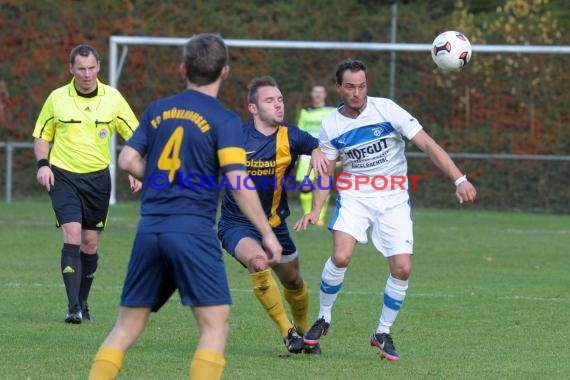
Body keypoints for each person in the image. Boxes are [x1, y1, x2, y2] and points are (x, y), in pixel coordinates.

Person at [88, 34, 282, 380]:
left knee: (125, 328)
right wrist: (267, 232)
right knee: (214, 326)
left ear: (182, 69)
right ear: (225, 71)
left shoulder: (158, 110)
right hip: (192, 230)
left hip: (150, 230)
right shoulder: (224, 121)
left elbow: (128, 158)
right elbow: (238, 181)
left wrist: (161, 179)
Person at [295, 59, 477, 361]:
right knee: (340, 256)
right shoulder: (332, 125)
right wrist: (316, 208)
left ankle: (382, 331)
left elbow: (428, 145)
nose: (357, 93)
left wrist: (459, 178)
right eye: (350, 87)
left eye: (362, 86)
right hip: (354, 196)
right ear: (339, 88)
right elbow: (326, 170)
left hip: (393, 199)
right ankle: (323, 318)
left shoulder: (387, 110)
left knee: (403, 268)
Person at [217, 76, 327, 354]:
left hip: (276, 225)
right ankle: (288, 332)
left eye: (280, 99)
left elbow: (317, 147)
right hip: (236, 224)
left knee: (295, 282)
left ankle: (304, 332)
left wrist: (316, 152)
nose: (278, 105)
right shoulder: (236, 138)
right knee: (258, 262)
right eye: (270, 100)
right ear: (253, 108)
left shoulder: (291, 135)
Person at [33, 44, 141, 324]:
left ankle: (82, 302)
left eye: (91, 68)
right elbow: (42, 136)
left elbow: (136, 135)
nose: (86, 73)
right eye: (80, 68)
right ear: (71, 69)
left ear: (99, 67)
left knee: (90, 244)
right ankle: (72, 308)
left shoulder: (113, 98)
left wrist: (135, 167)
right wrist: (43, 165)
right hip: (64, 176)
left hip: (98, 179)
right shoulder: (57, 98)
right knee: (72, 234)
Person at [295, 84, 335, 226]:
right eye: (315, 92)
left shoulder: (332, 111)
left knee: (322, 183)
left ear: (324, 94)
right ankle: (308, 213)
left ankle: (319, 217)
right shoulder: (305, 112)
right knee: (305, 185)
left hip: (324, 152)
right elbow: (300, 132)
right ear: (312, 94)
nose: (318, 94)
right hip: (307, 153)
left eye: (320, 92)